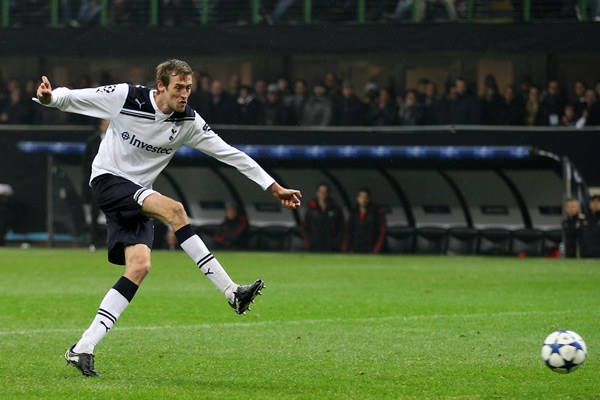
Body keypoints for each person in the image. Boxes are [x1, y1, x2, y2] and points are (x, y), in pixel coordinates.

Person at [34, 59, 302, 377]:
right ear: (160, 86)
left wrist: (274, 187)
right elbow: (81, 98)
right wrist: (50, 97)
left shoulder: (188, 122)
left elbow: (231, 154)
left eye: (188, 88)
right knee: (175, 209)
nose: (184, 94)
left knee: (139, 267)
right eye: (178, 87)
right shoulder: (127, 97)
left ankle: (83, 347)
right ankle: (231, 291)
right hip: (107, 181)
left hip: (136, 195)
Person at [81, 119, 109, 250]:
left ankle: (113, 241)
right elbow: (86, 163)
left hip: (112, 183)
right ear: (100, 125)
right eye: (105, 123)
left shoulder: (118, 141)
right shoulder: (92, 141)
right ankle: (93, 241)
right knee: (93, 213)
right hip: (96, 183)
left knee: (114, 213)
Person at [301, 183, 345, 252]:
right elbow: (305, 227)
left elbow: (341, 228)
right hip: (315, 246)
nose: (323, 194)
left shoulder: (336, 208)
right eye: (321, 192)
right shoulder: (311, 208)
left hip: (331, 247)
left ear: (329, 193)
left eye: (325, 192)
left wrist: (336, 243)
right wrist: (310, 242)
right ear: (317, 193)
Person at [344, 188, 387, 254]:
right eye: (361, 197)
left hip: (370, 250)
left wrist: (376, 250)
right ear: (358, 198)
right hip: (355, 250)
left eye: (365, 197)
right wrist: (348, 249)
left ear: (369, 199)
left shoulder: (376, 213)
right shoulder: (353, 213)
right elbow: (349, 232)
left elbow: (381, 232)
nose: (363, 200)